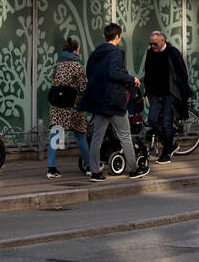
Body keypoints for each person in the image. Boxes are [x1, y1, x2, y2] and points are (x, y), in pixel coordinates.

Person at [78, 23, 144, 182]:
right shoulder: (115, 53)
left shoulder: (96, 53)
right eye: (120, 36)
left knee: (97, 138)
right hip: (114, 101)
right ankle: (134, 169)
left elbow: (90, 73)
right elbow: (113, 73)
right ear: (116, 37)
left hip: (100, 101)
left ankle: (95, 172)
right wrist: (131, 79)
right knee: (124, 136)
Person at [141, 30, 191, 163]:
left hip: (169, 94)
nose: (152, 46)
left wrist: (181, 91)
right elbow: (148, 72)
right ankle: (172, 144)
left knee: (166, 124)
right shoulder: (150, 53)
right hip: (155, 94)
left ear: (162, 41)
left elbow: (182, 73)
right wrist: (147, 91)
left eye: (155, 44)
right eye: (150, 44)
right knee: (152, 120)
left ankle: (166, 153)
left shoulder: (172, 52)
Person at [47, 37, 89, 177]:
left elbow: (53, 82)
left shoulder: (58, 65)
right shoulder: (77, 66)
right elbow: (84, 88)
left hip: (57, 106)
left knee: (55, 135)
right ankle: (89, 166)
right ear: (76, 50)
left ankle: (51, 169)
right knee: (81, 136)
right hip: (73, 107)